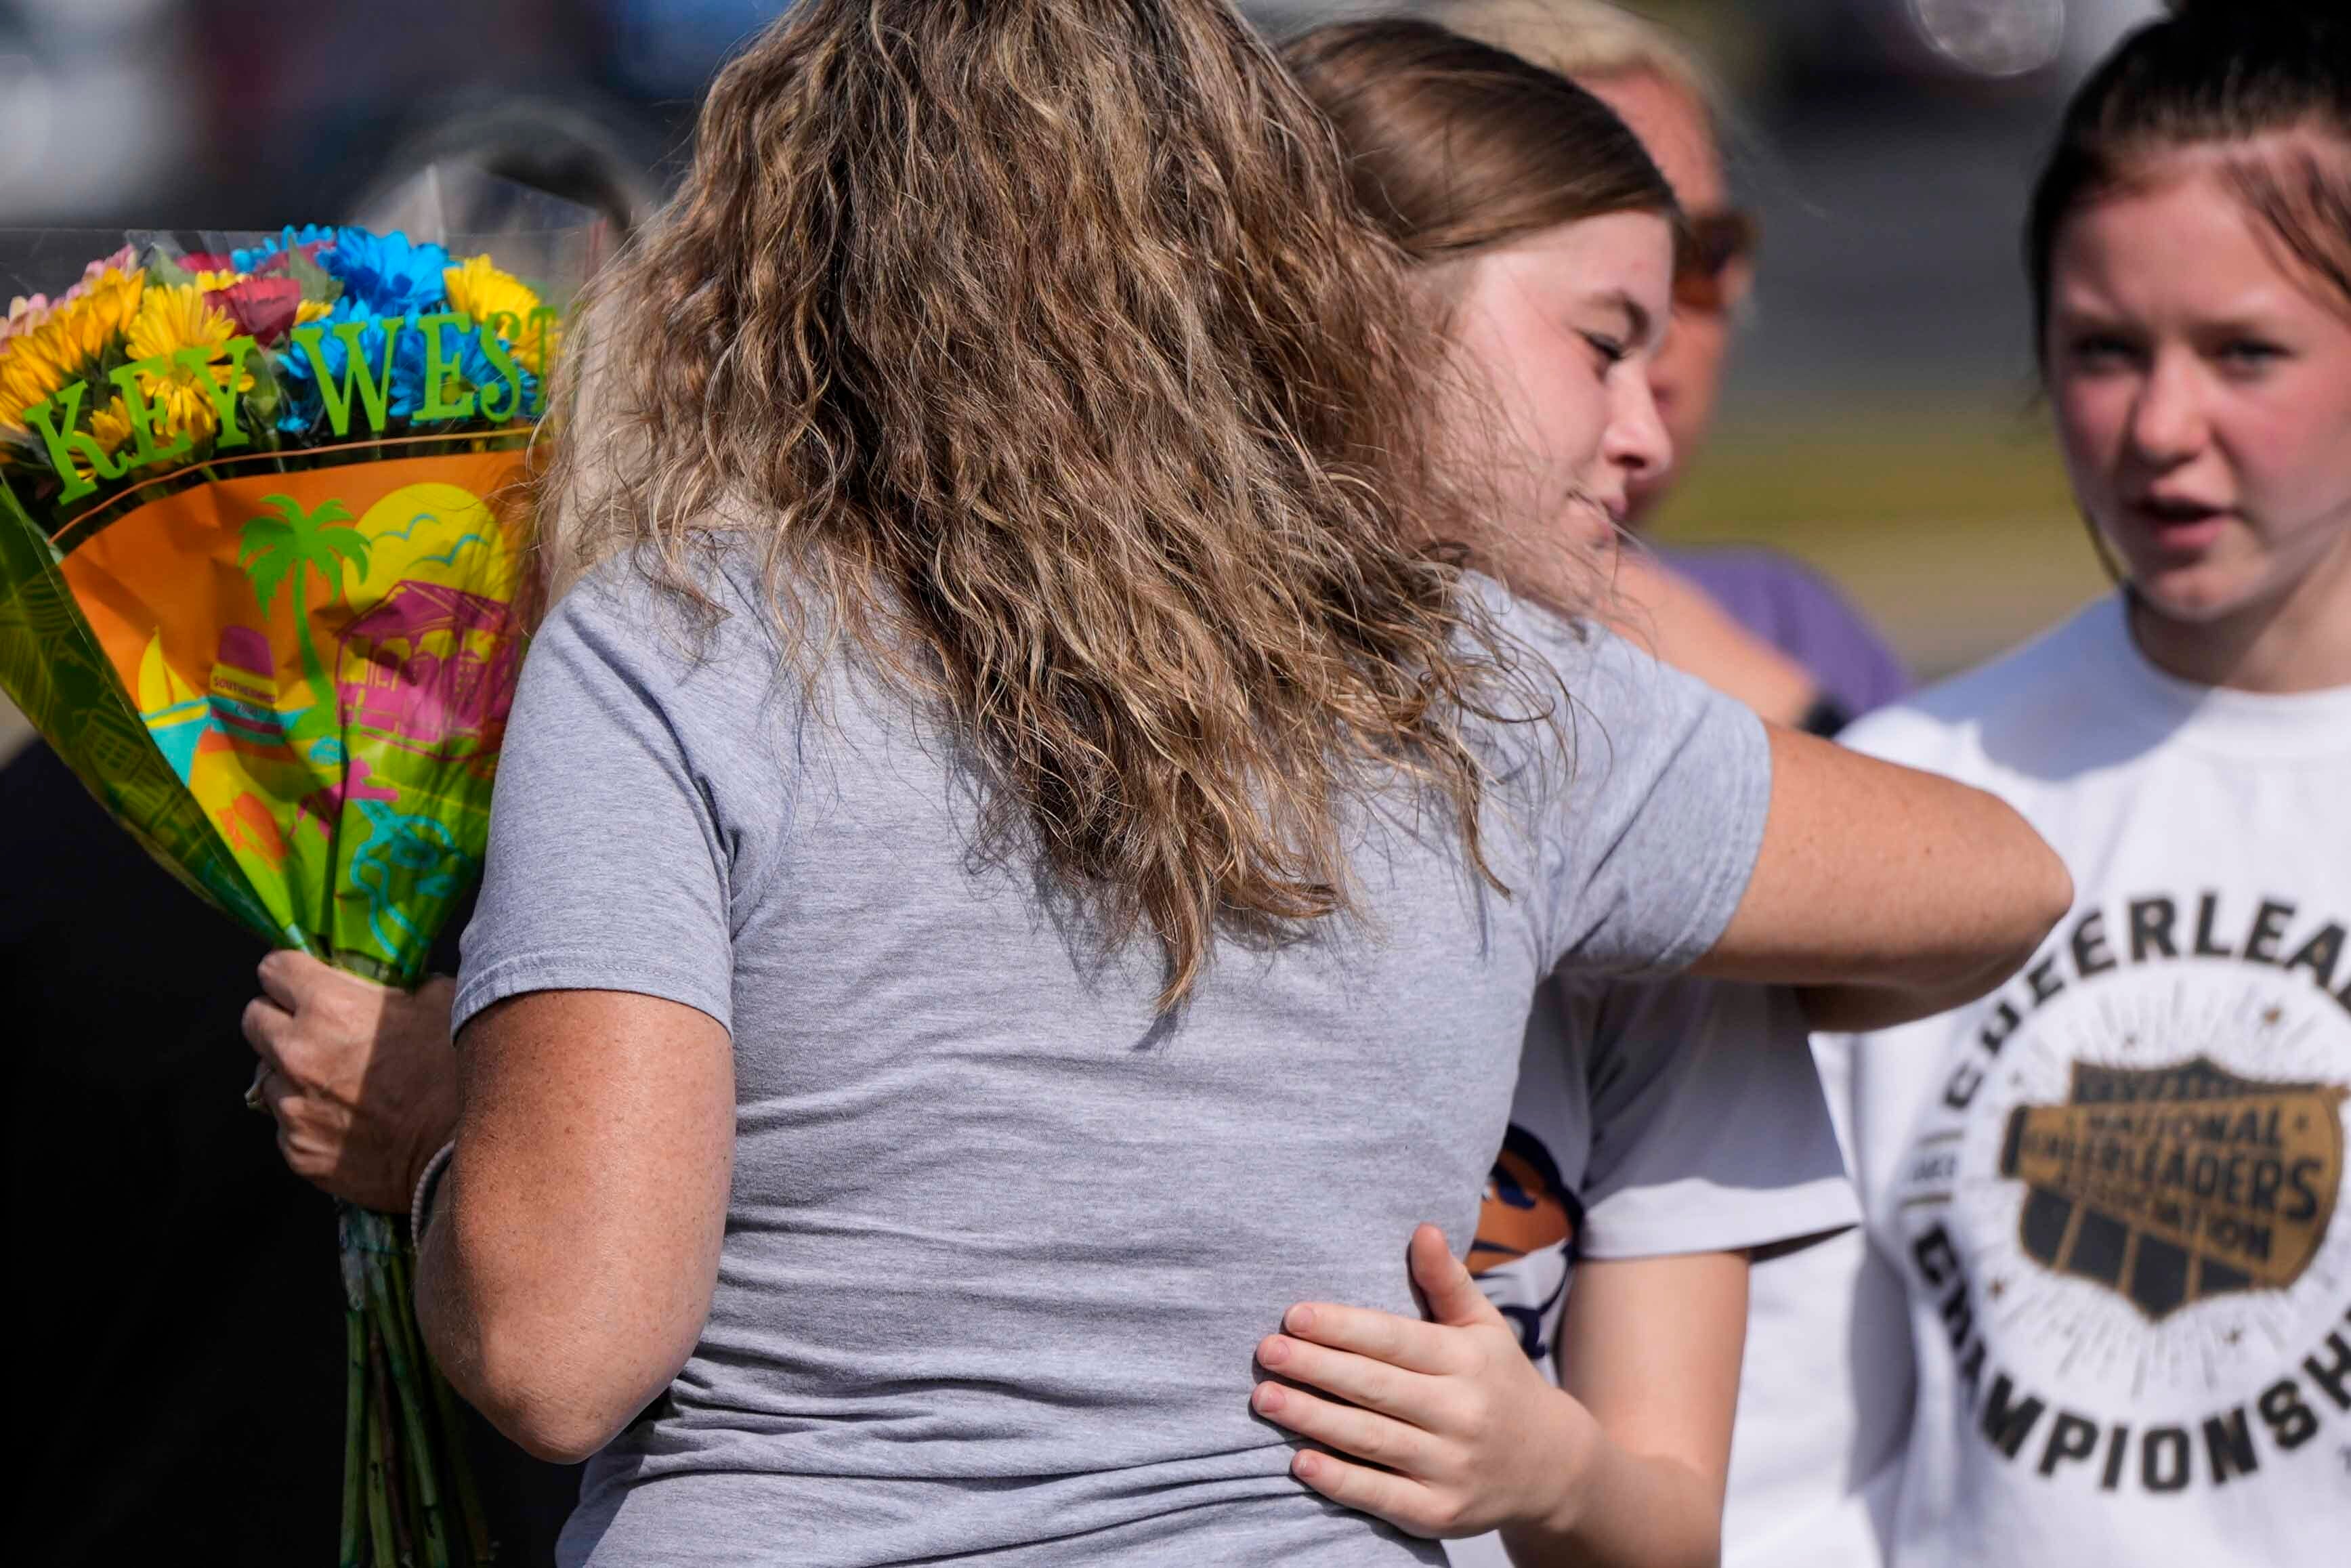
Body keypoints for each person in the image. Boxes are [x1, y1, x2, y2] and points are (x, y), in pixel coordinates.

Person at [251, 3, 2068, 1563]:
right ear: (1250, 252)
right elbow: (1993, 882)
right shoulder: (1468, 678)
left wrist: (437, 1154)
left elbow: (563, 1338)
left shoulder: (675, 649)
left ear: (780, 259)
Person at [1734, 4, 2351, 1564]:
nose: (2156, 426)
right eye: (2097, 349)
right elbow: (1786, 1458)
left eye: (2242, 352)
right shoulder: (1909, 802)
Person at [1240, 22, 1859, 1568]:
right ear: (1353, 311)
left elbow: (1662, 1520)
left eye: (1699, 284)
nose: (1642, 428)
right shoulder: (1036, 765)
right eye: (1601, 341)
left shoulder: (1677, 865)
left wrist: (1546, 1461)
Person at [1433, 0, 1911, 733]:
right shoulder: (1274, 650)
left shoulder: (1787, 624)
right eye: (1580, 261)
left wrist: (1792, 715)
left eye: (1701, 253)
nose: (1651, 323)